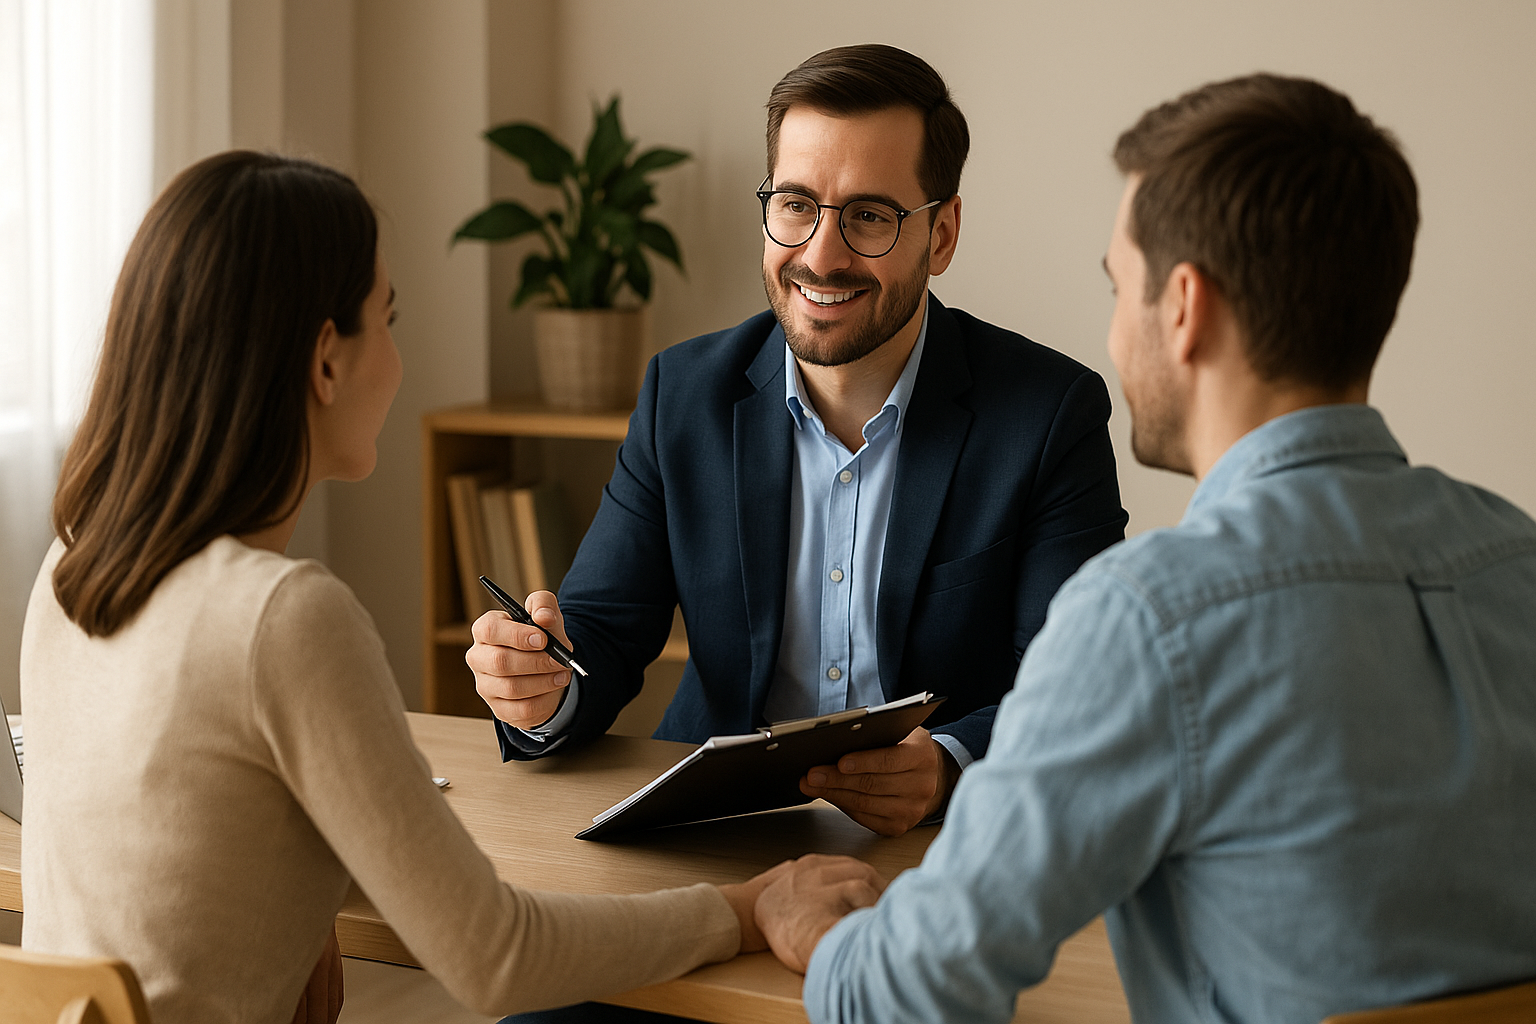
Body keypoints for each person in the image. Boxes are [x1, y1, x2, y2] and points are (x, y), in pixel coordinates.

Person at [754, 73, 1536, 1022]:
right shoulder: (1516, 560)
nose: (1116, 330)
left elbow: (910, 998)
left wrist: (814, 924)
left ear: (1185, 309)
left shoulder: (1151, 618)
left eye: (1119, 285)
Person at [17, 150, 849, 1024]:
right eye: (390, 318)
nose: (401, 358)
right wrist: (748, 909)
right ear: (326, 363)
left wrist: (298, 915)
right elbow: (498, 958)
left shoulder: (72, 566)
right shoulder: (284, 616)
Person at [468, 43, 1127, 839]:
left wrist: (950, 762)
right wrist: (541, 690)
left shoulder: (1050, 414)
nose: (820, 254)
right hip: (715, 833)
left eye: (869, 216)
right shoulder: (684, 395)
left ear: (942, 235)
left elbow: (1073, 683)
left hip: (936, 853)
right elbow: (601, 631)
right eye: (795, 204)